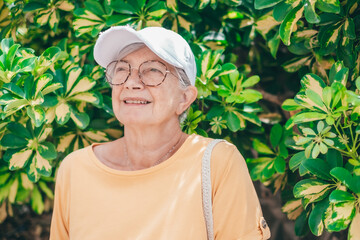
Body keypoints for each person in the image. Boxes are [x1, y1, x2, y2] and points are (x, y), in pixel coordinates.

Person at [50, 25, 271, 240]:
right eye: (121, 70)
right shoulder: (75, 169)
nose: (131, 83)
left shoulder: (217, 163)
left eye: (152, 70)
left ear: (184, 98)